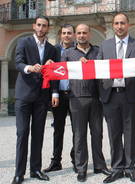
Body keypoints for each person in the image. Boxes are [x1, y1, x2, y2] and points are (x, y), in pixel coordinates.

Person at [97, 13, 135, 183]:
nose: (119, 26)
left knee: (130, 133)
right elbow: (97, 69)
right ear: (113, 25)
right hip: (110, 96)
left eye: (122, 23)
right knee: (114, 133)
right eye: (116, 23)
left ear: (128, 25)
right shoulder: (105, 45)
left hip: (130, 95)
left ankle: (130, 168)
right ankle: (117, 168)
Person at [11, 16, 58, 184]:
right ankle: (19, 173)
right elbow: (18, 63)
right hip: (23, 96)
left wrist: (55, 93)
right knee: (22, 133)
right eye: (38, 25)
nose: (41, 28)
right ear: (34, 26)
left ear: (47, 28)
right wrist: (29, 68)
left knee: (38, 134)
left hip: (42, 97)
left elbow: (54, 74)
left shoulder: (52, 49)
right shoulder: (24, 42)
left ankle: (36, 169)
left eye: (44, 26)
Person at [61, 23, 110, 182]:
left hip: (96, 98)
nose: (82, 35)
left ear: (89, 34)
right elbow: (61, 71)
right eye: (79, 33)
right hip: (76, 99)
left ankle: (100, 165)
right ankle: (81, 168)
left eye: (85, 33)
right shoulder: (68, 53)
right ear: (76, 35)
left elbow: (105, 70)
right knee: (79, 135)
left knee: (97, 134)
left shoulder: (98, 51)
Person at [43, 24, 76, 173]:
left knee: (78, 129)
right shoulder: (53, 50)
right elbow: (49, 73)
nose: (67, 35)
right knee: (58, 129)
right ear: (60, 35)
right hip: (59, 95)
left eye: (69, 33)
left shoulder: (79, 50)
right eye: (64, 33)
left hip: (75, 95)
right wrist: (54, 92)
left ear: (73, 35)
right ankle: (56, 161)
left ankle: (77, 159)